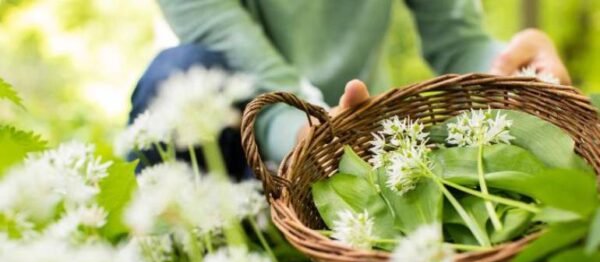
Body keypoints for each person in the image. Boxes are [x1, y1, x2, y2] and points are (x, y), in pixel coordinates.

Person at [128, 0, 570, 178]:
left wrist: (516, 70)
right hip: (231, 141)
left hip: (353, 130)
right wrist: (313, 137)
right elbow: (260, 79)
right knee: (175, 73)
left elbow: (459, 42)